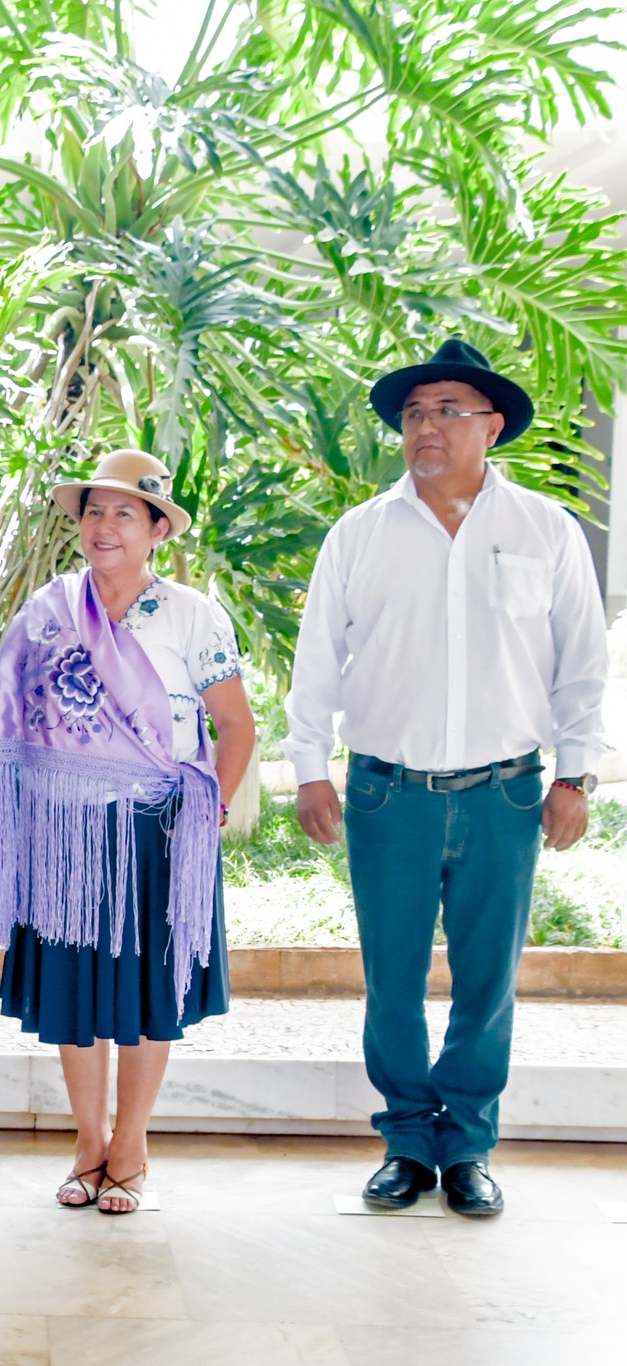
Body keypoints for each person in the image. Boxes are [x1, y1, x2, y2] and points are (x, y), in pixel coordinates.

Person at [285, 338, 609, 1218]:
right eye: (415, 413)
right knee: (391, 977)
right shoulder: (360, 533)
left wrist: (576, 775)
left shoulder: (546, 530)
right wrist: (309, 769)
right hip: (387, 792)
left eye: (448, 411)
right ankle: (404, 1141)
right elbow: (318, 661)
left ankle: (466, 1145)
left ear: (492, 426)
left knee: (486, 977)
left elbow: (582, 663)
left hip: (505, 791)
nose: (426, 427)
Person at [0, 450, 256, 1214]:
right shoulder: (49, 613)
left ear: (158, 529)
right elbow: (11, 722)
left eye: (125, 512)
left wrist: (205, 817)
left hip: (159, 837)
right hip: (65, 836)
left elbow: (235, 727)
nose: (104, 526)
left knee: (146, 994)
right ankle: (88, 1143)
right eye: (94, 511)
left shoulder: (193, 615)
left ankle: (133, 1145)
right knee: (77, 993)